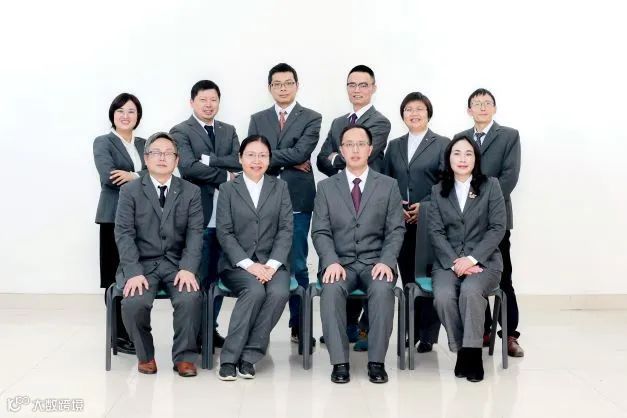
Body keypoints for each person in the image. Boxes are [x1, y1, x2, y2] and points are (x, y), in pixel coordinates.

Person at [312, 125, 405, 384]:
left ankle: (376, 362)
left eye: (360, 144)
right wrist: (330, 261)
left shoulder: (388, 185)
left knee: (383, 290)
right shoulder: (326, 187)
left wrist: (386, 261)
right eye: (349, 144)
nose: (355, 149)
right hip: (340, 263)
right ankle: (339, 362)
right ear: (341, 150)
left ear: (370, 149)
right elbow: (320, 231)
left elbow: (395, 230)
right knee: (331, 290)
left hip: (375, 262)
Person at [115, 132, 204, 377]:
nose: (162, 158)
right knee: (134, 302)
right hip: (142, 265)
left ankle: (184, 357)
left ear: (177, 160)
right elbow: (124, 234)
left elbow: (195, 233)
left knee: (190, 298)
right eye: (156, 152)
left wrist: (188, 268)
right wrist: (133, 271)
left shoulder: (191, 191)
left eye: (168, 153)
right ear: (146, 158)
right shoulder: (130, 191)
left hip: (177, 264)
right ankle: (145, 355)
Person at [316, 65, 391, 350]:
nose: (357, 90)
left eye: (363, 84)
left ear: (374, 87)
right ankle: (345, 328)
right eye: (352, 84)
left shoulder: (380, 122)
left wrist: (338, 157)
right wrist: (336, 160)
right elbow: (321, 159)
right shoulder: (338, 122)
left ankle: (366, 331)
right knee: (344, 255)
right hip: (342, 196)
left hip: (371, 198)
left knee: (371, 262)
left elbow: (362, 159)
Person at [247, 63, 321, 346]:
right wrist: (290, 158)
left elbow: (302, 152)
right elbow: (253, 156)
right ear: (270, 88)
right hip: (262, 198)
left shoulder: (312, 117)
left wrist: (271, 157)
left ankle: (299, 326)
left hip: (298, 199)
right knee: (262, 261)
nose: (283, 88)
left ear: (297, 85)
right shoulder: (258, 119)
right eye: (277, 84)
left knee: (298, 262)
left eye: (288, 83)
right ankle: (259, 327)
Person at [429, 136, 506, 382]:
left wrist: (472, 259)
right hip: (448, 261)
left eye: (468, 154)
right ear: (448, 158)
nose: (462, 159)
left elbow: (497, 228)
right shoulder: (438, 190)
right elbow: (436, 232)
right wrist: (455, 261)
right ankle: (463, 349)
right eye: (457, 153)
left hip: (485, 261)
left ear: (476, 159)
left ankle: (472, 355)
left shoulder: (491, 186)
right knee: (443, 296)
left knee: (471, 291)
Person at [171, 79, 241, 348]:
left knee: (217, 276)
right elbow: (188, 167)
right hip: (197, 214)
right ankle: (193, 334)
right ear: (192, 102)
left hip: (226, 216)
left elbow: (238, 161)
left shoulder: (228, 130)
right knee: (197, 275)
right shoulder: (181, 131)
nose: (209, 105)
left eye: (213, 100)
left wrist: (209, 161)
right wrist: (225, 175)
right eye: (203, 100)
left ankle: (209, 329)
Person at [216, 135, 293, 381]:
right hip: (238, 264)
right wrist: (250, 265)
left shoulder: (280, 187)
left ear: (269, 160)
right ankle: (229, 359)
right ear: (240, 158)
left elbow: (286, 229)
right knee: (255, 291)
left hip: (273, 263)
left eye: (262, 155)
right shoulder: (228, 189)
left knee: (279, 292)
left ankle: (249, 356)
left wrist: (271, 265)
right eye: (251, 155)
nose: (256, 160)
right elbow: (224, 232)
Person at [453, 88, 523, 357]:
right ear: (468, 110)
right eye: (477, 103)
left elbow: (509, 177)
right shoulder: (461, 138)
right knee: (473, 274)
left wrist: (481, 204)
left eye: (487, 103)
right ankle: (482, 330)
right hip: (465, 222)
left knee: (503, 277)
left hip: (496, 219)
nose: (482, 107)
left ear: (494, 108)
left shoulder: (509, 136)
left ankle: (510, 335)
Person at [383, 92, 449, 353]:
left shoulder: (442, 143)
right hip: (401, 220)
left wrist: (426, 206)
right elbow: (386, 180)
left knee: (429, 277)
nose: (414, 113)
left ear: (428, 113)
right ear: (403, 115)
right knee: (409, 278)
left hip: (430, 220)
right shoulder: (394, 145)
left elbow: (446, 182)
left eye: (419, 109)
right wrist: (396, 206)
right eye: (409, 109)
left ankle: (428, 335)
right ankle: (409, 331)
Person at [93, 92, 146, 355]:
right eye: (120, 111)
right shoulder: (103, 142)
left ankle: (132, 331)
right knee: (113, 278)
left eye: (131, 111)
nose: (126, 116)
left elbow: (163, 172)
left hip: (141, 219)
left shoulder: (145, 144)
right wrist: (142, 176)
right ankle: (119, 335)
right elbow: (109, 177)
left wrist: (132, 175)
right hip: (113, 216)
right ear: (112, 115)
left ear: (138, 116)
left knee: (134, 275)